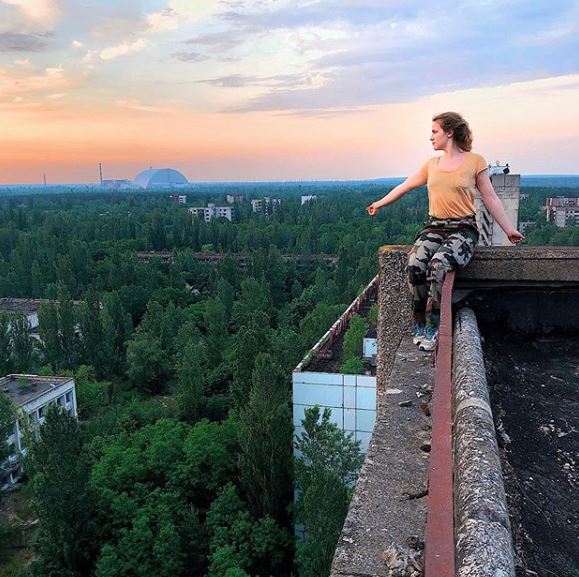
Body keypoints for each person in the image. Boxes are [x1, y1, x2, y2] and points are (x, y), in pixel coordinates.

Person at [367, 111, 524, 351]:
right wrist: (379, 203)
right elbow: (405, 186)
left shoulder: (475, 161)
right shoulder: (432, 165)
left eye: (434, 131)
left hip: (463, 228)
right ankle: (418, 320)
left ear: (449, 133)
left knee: (438, 266)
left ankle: (434, 324)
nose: (431, 137)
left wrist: (509, 229)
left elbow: (490, 197)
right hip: (435, 226)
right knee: (414, 264)